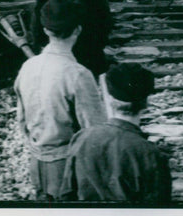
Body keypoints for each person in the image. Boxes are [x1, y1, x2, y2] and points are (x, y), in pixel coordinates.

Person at [15, 0, 106, 201]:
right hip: (68, 167)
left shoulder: (28, 67)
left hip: (36, 164)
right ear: (78, 30)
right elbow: (94, 133)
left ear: (46, 30)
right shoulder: (78, 73)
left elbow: (21, 120)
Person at [61, 63, 171, 203]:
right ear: (146, 103)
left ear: (110, 99)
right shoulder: (151, 154)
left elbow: (66, 194)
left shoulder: (81, 138)